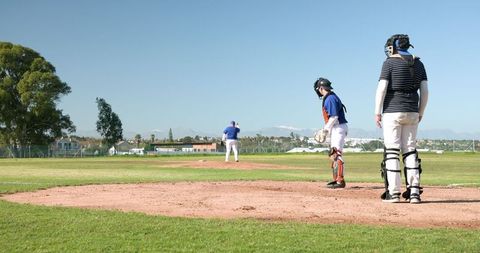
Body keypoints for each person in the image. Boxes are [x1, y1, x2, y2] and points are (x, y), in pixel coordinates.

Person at [375, 34, 429, 204]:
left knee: (392, 151)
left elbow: (382, 88)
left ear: (394, 47)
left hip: (393, 110)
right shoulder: (419, 63)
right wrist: (420, 112)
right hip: (413, 111)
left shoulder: (389, 62)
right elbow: (425, 91)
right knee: (410, 150)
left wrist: (377, 111)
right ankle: (414, 193)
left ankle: (394, 193)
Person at [313, 78, 348, 189]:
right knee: (333, 154)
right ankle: (336, 179)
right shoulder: (329, 97)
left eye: (318, 89)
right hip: (336, 128)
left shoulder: (330, 98)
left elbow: (334, 117)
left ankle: (340, 181)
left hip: (338, 127)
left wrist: (325, 130)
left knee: (336, 153)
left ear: (321, 88)